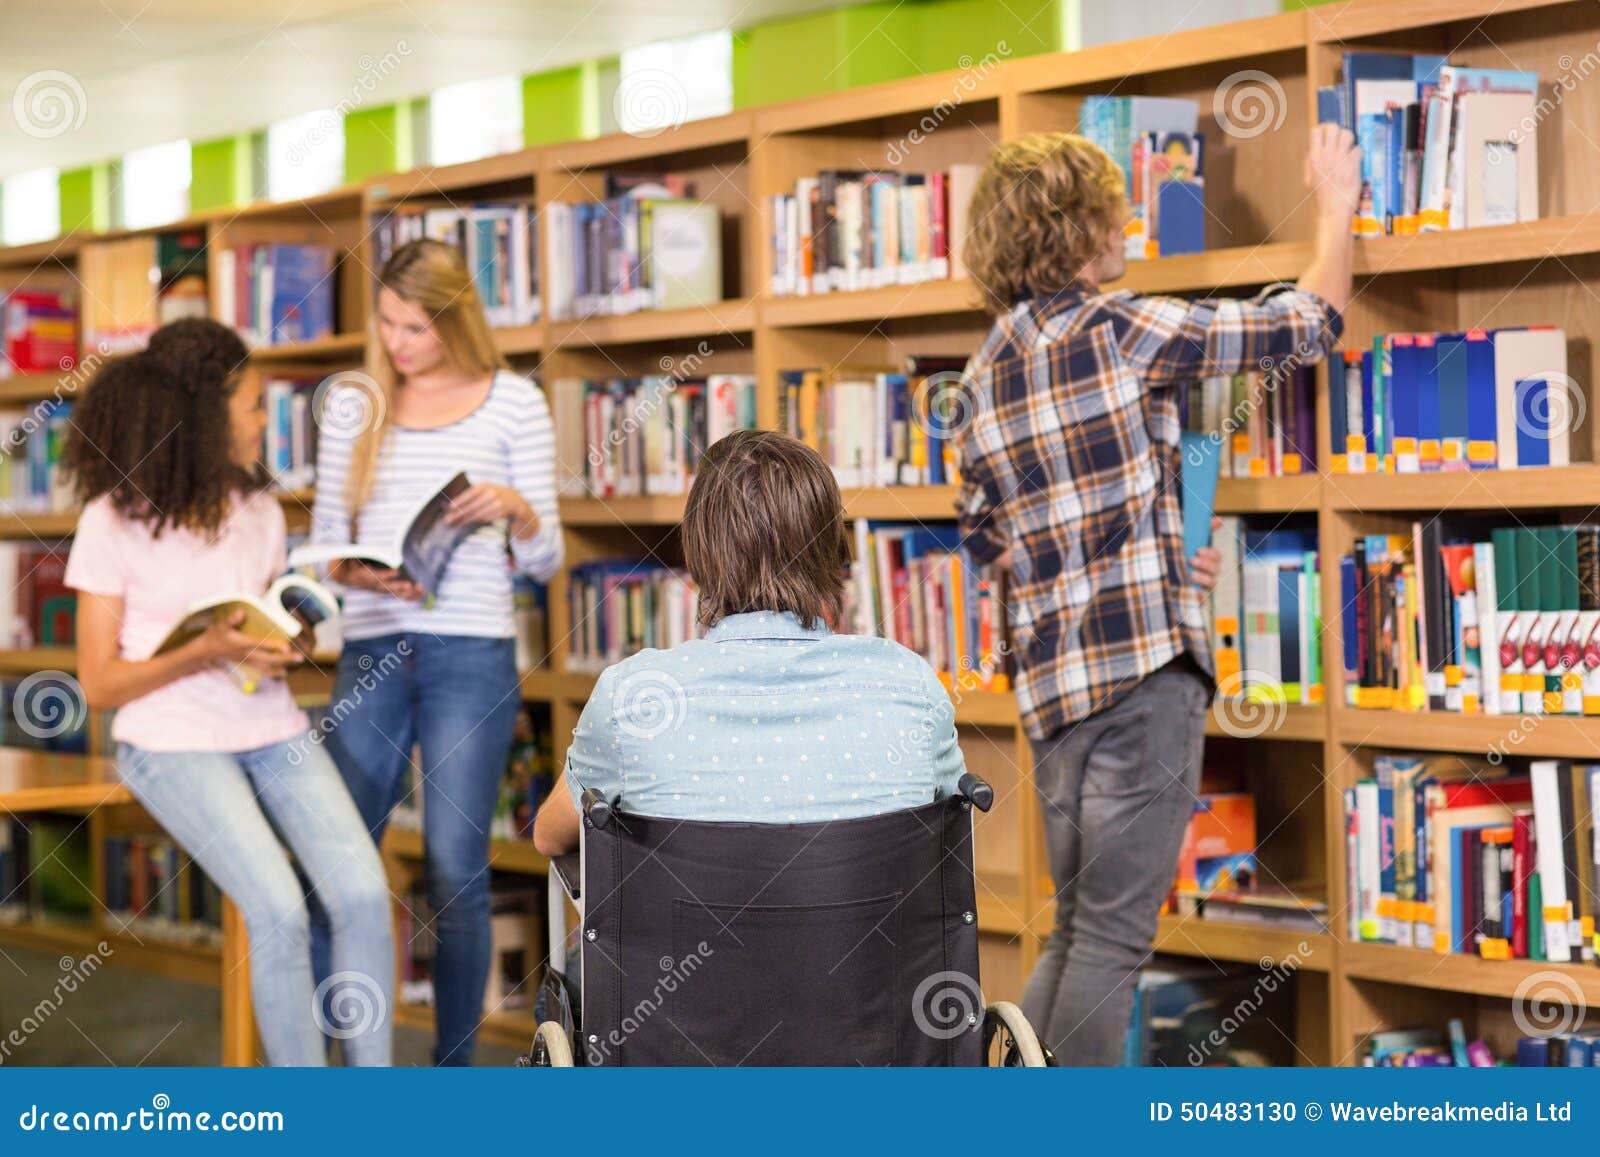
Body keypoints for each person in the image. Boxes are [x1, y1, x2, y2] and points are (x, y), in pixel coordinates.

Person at [953, 124, 1360, 1064]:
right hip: (1143, 682)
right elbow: (1308, 323)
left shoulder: (981, 374)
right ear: (1078, 228)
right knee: (1112, 940)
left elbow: (990, 545)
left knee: (1074, 932)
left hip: (1053, 697)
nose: (1128, 219)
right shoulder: (1121, 326)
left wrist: (1158, 558)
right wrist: (1335, 203)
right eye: (1111, 207)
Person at [64, 319, 394, 1067]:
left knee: (365, 894)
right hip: (169, 740)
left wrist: (289, 643)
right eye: (250, 404)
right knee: (277, 910)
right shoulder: (109, 520)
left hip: (268, 724)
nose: (261, 420)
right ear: (203, 414)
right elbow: (98, 683)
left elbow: (266, 627)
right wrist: (205, 648)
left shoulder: (261, 512)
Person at [308, 238, 563, 1066]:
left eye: (415, 328)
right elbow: (322, 544)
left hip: (470, 652)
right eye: (386, 323)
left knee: (457, 868)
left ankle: (452, 1069)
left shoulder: (515, 402)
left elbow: (548, 557)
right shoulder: (354, 406)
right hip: (373, 644)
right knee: (343, 861)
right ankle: (335, 1060)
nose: (396, 344)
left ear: (456, 323)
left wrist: (517, 508)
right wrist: (354, 573)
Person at [533, 429, 965, 853]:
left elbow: (550, 837)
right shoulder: (909, 685)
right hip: (877, 927)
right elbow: (948, 826)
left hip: (694, 927)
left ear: (698, 551)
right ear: (833, 547)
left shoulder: (631, 697)